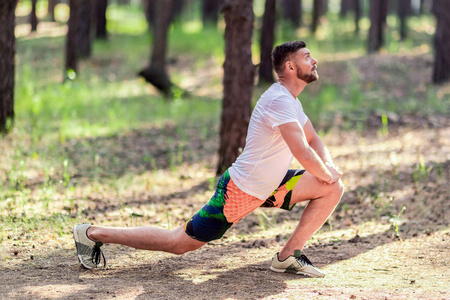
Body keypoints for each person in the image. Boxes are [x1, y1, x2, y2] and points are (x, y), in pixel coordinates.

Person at [73, 41, 344, 278]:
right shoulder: (279, 100)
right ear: (290, 67)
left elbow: (313, 140)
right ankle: (92, 233)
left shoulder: (292, 102)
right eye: (307, 56)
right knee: (178, 243)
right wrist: (324, 171)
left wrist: (328, 168)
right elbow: (301, 151)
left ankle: (287, 257)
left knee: (332, 187)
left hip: (270, 186)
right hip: (240, 191)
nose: (315, 59)